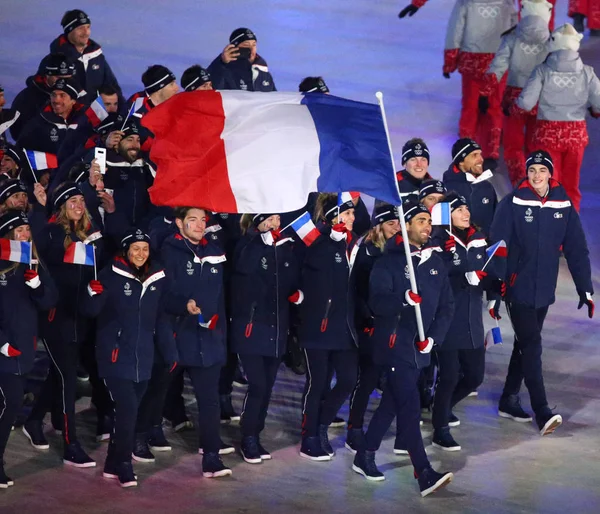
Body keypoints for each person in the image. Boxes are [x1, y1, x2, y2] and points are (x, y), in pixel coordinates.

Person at [352, 200, 454, 497]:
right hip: (394, 345)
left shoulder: (435, 261)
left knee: (393, 404)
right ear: (407, 224)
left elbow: (447, 305)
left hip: (420, 347)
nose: (428, 226)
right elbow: (377, 303)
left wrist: (433, 338)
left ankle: (365, 454)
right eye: (421, 220)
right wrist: (403, 299)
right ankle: (423, 471)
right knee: (410, 408)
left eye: (428, 221)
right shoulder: (390, 261)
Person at [490, 150, 594, 435]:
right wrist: (495, 290)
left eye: (542, 170)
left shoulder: (563, 204)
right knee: (532, 344)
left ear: (550, 173)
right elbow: (496, 248)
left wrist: (585, 288)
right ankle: (542, 409)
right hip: (516, 287)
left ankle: (508, 399)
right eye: (532, 170)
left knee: (524, 344)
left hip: (544, 291)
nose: (536, 175)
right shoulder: (512, 203)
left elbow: (576, 248)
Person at [81, 228, 176, 487]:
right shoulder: (110, 276)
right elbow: (90, 312)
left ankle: (113, 463)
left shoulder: (156, 279)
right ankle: (124, 463)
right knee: (128, 410)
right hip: (114, 357)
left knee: (129, 412)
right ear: (126, 251)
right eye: (136, 249)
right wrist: (92, 292)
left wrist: (171, 352)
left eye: (145, 249)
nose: (140, 254)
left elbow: (161, 319)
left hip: (143, 358)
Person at [22, 181, 105, 467]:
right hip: (56, 318)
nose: (78, 205)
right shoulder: (51, 233)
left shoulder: (93, 235)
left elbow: (99, 267)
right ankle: (71, 444)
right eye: (72, 201)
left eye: (81, 201)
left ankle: (34, 420)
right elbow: (33, 252)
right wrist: (40, 207)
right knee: (68, 378)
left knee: (59, 374)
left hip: (81, 318)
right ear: (61, 207)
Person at [160, 207, 232, 478]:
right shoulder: (168, 251)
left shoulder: (215, 251)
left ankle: (211, 456)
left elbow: (221, 300)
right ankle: (143, 438)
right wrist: (183, 305)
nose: (200, 225)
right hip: (179, 336)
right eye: (193, 220)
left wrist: (221, 335)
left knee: (209, 400)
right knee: (157, 393)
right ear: (179, 223)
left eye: (203, 220)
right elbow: (162, 296)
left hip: (209, 338)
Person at [430, 192, 499, 451]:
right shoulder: (438, 242)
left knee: (474, 377)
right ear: (446, 214)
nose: (466, 213)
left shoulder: (478, 239)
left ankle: (442, 406)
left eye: (466, 208)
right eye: (459, 209)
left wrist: (494, 293)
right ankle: (440, 429)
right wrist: (460, 277)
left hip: (472, 321)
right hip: (447, 321)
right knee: (448, 376)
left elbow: (489, 270)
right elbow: (433, 278)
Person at [230, 213, 301, 464]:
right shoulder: (246, 245)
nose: (274, 224)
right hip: (250, 328)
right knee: (258, 384)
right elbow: (244, 270)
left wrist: (296, 294)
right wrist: (260, 241)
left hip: (276, 329)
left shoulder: (284, 247)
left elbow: (290, 279)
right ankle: (248, 436)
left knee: (267, 386)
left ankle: (256, 434)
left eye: (276, 219)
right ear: (257, 221)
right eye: (268, 220)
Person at [512, 23, 600, 211]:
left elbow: (526, 103)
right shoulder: (587, 72)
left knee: (549, 185)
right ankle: (570, 226)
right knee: (572, 186)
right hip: (575, 135)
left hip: (547, 134)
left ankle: (550, 229)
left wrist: (515, 109)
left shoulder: (542, 71)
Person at [299, 193, 358, 461]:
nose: (350, 218)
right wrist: (328, 237)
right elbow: (309, 263)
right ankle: (309, 437)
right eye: (345, 214)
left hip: (344, 328)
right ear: (332, 217)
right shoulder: (317, 242)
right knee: (318, 383)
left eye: (352, 214)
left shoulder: (352, 245)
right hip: (317, 326)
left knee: (348, 379)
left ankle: (322, 425)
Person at [0, 210, 57, 488]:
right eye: (18, 230)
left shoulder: (34, 264)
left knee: (8, 406)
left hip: (23, 351)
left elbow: (49, 302)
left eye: (26, 230)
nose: (24, 235)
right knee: (8, 405)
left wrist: (37, 285)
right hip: (3, 351)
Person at [345, 203, 400, 452]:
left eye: (399, 223)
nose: (396, 227)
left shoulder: (399, 251)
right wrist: (367, 318)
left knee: (387, 377)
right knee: (367, 379)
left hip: (390, 323)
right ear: (379, 226)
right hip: (368, 324)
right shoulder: (367, 252)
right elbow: (355, 289)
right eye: (391, 223)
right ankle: (354, 429)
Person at [482, 0, 552, 186]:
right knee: (535, 145)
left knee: (513, 145)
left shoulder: (512, 37)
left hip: (513, 100)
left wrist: (485, 93)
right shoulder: (552, 41)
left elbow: (497, 67)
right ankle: (536, 185)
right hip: (541, 99)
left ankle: (519, 183)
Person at [443, 0, 517, 161]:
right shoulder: (507, 3)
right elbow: (515, 30)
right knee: (495, 106)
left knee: (470, 105)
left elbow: (455, 31)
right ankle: (492, 150)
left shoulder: (466, 3)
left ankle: (465, 146)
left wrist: (450, 61)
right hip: (499, 60)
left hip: (472, 59)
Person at [49, 9, 123, 106]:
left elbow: (112, 86)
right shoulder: (56, 61)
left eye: (88, 27)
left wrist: (123, 111)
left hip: (94, 115)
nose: (86, 32)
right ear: (69, 30)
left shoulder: (96, 55)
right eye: (80, 28)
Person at [9, 53, 75, 140]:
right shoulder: (26, 100)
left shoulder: (77, 94)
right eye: (58, 77)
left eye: (67, 78)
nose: (63, 82)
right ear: (45, 75)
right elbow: (20, 136)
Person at [443, 138, 498, 237]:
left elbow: (497, 220)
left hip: (485, 248)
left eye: (480, 154)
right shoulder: (447, 188)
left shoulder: (487, 187)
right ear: (461, 161)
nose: (481, 159)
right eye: (474, 155)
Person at [17, 79, 84, 155]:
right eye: (53, 95)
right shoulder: (38, 123)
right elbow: (21, 150)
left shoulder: (84, 122)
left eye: (62, 95)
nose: (56, 100)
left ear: (73, 101)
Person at [208, 28, 276, 92]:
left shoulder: (264, 73)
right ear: (234, 47)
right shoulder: (224, 69)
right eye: (246, 45)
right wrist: (221, 62)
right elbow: (210, 88)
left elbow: (275, 100)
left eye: (254, 45)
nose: (251, 49)